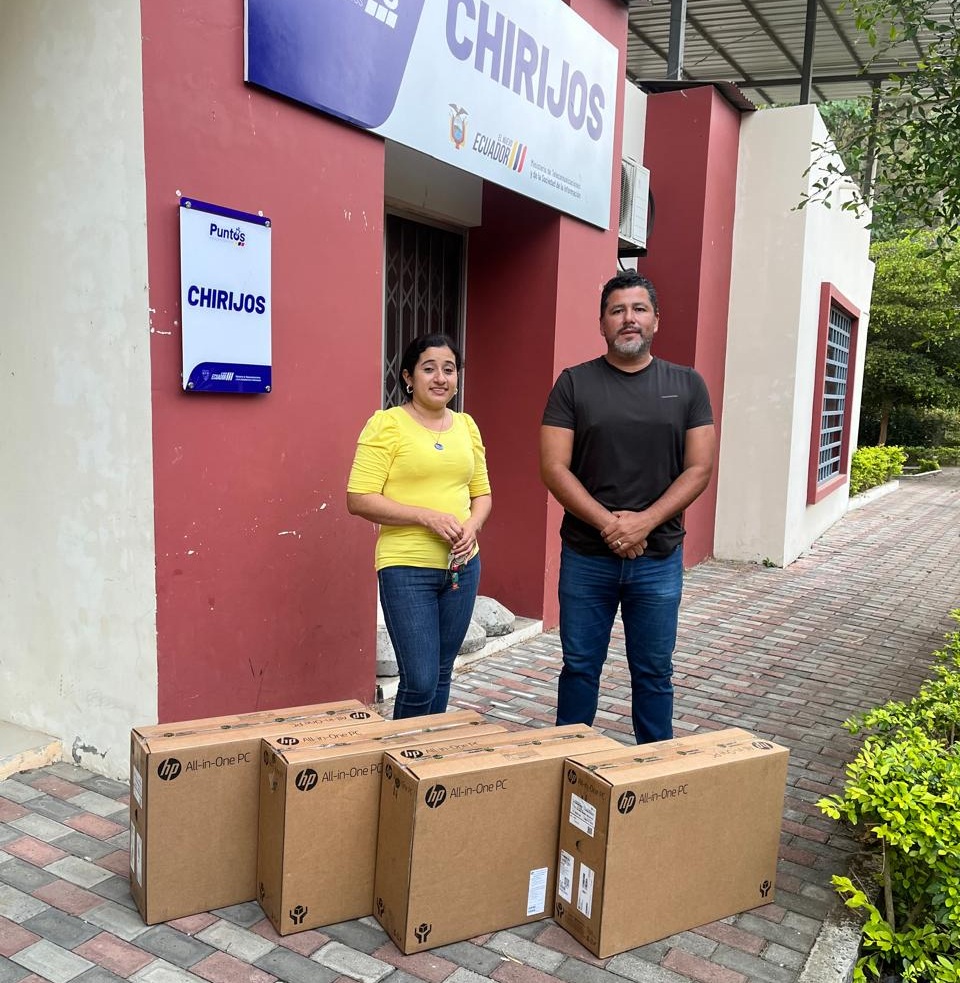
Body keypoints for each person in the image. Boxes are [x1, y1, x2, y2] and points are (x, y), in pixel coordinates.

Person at [539, 270, 715, 744]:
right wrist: (610, 526)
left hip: (658, 559)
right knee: (579, 667)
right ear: (602, 323)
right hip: (586, 556)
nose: (628, 318)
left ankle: (654, 769)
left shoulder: (688, 385)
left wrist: (645, 523)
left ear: (657, 319)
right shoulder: (573, 384)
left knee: (654, 672)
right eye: (617, 310)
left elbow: (699, 468)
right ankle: (567, 762)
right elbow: (554, 467)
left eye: (639, 309)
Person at [347, 334, 492, 719]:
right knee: (421, 679)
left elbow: (482, 493)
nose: (440, 378)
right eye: (429, 369)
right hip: (407, 569)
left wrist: (473, 525)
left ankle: (427, 748)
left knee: (443, 672)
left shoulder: (466, 426)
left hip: (462, 567)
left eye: (449, 369)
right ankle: (403, 750)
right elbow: (359, 498)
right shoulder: (387, 425)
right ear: (409, 377)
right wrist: (426, 516)